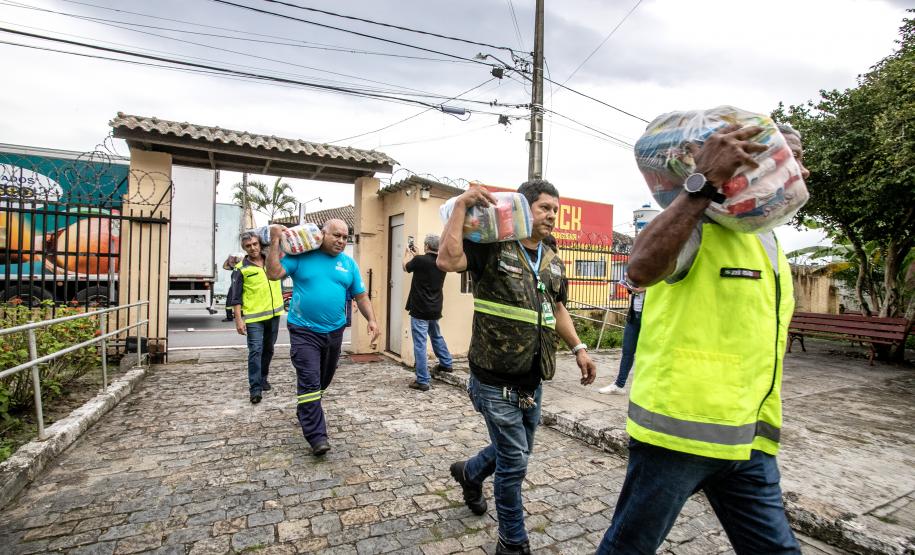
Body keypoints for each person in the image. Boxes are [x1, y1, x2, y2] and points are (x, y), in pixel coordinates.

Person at [597, 123, 811, 554]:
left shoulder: (765, 238)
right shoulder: (697, 222)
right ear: (756, 164)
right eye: (791, 158)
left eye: (802, 158)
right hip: (678, 440)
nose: (802, 170)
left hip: (749, 441)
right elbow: (638, 269)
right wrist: (704, 183)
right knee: (629, 548)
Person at [437, 180, 597, 555]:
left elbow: (556, 310)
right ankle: (512, 542)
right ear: (524, 209)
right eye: (544, 208)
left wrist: (580, 348)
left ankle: (470, 472)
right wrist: (461, 206)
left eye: (555, 210)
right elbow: (446, 260)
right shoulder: (491, 248)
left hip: (533, 378)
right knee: (514, 463)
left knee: (517, 451)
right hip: (493, 378)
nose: (552, 216)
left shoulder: (552, 260)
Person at [265, 218, 380, 457]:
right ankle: (317, 436)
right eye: (335, 235)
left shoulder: (348, 264)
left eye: (345, 237)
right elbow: (274, 273)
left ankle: (306, 408)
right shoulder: (302, 257)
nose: (340, 240)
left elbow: (360, 295)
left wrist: (372, 319)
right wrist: (275, 239)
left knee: (322, 382)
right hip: (304, 331)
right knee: (310, 380)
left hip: (334, 331)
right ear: (321, 234)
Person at [226, 233, 285, 405]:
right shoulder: (240, 269)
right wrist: (238, 319)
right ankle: (255, 388)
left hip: (274, 315)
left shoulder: (271, 261)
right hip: (254, 318)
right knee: (255, 351)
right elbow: (235, 297)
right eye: (248, 246)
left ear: (260, 244)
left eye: (254, 244)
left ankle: (263, 378)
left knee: (268, 350)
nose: (252, 248)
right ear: (244, 249)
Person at [403, 233, 453, 392]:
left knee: (420, 343)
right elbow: (426, 265)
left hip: (419, 309)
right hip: (435, 308)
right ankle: (446, 363)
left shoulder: (419, 261)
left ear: (426, 246)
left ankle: (423, 380)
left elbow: (406, 267)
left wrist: (406, 256)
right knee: (436, 335)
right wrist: (417, 255)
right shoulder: (442, 262)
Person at [598, 274, 645, 395]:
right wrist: (630, 282)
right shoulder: (641, 265)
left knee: (647, 353)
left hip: (649, 316)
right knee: (627, 351)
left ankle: (645, 388)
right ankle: (619, 385)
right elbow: (634, 290)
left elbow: (665, 286)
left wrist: (646, 288)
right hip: (634, 315)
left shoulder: (659, 265)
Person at [222, 253, 243, 322]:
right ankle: (230, 316)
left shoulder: (243, 267)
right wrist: (229, 258)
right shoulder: (235, 267)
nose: (234, 260)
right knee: (229, 301)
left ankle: (233, 316)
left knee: (236, 301)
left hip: (239, 287)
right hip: (234, 287)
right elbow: (225, 266)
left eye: (236, 259)